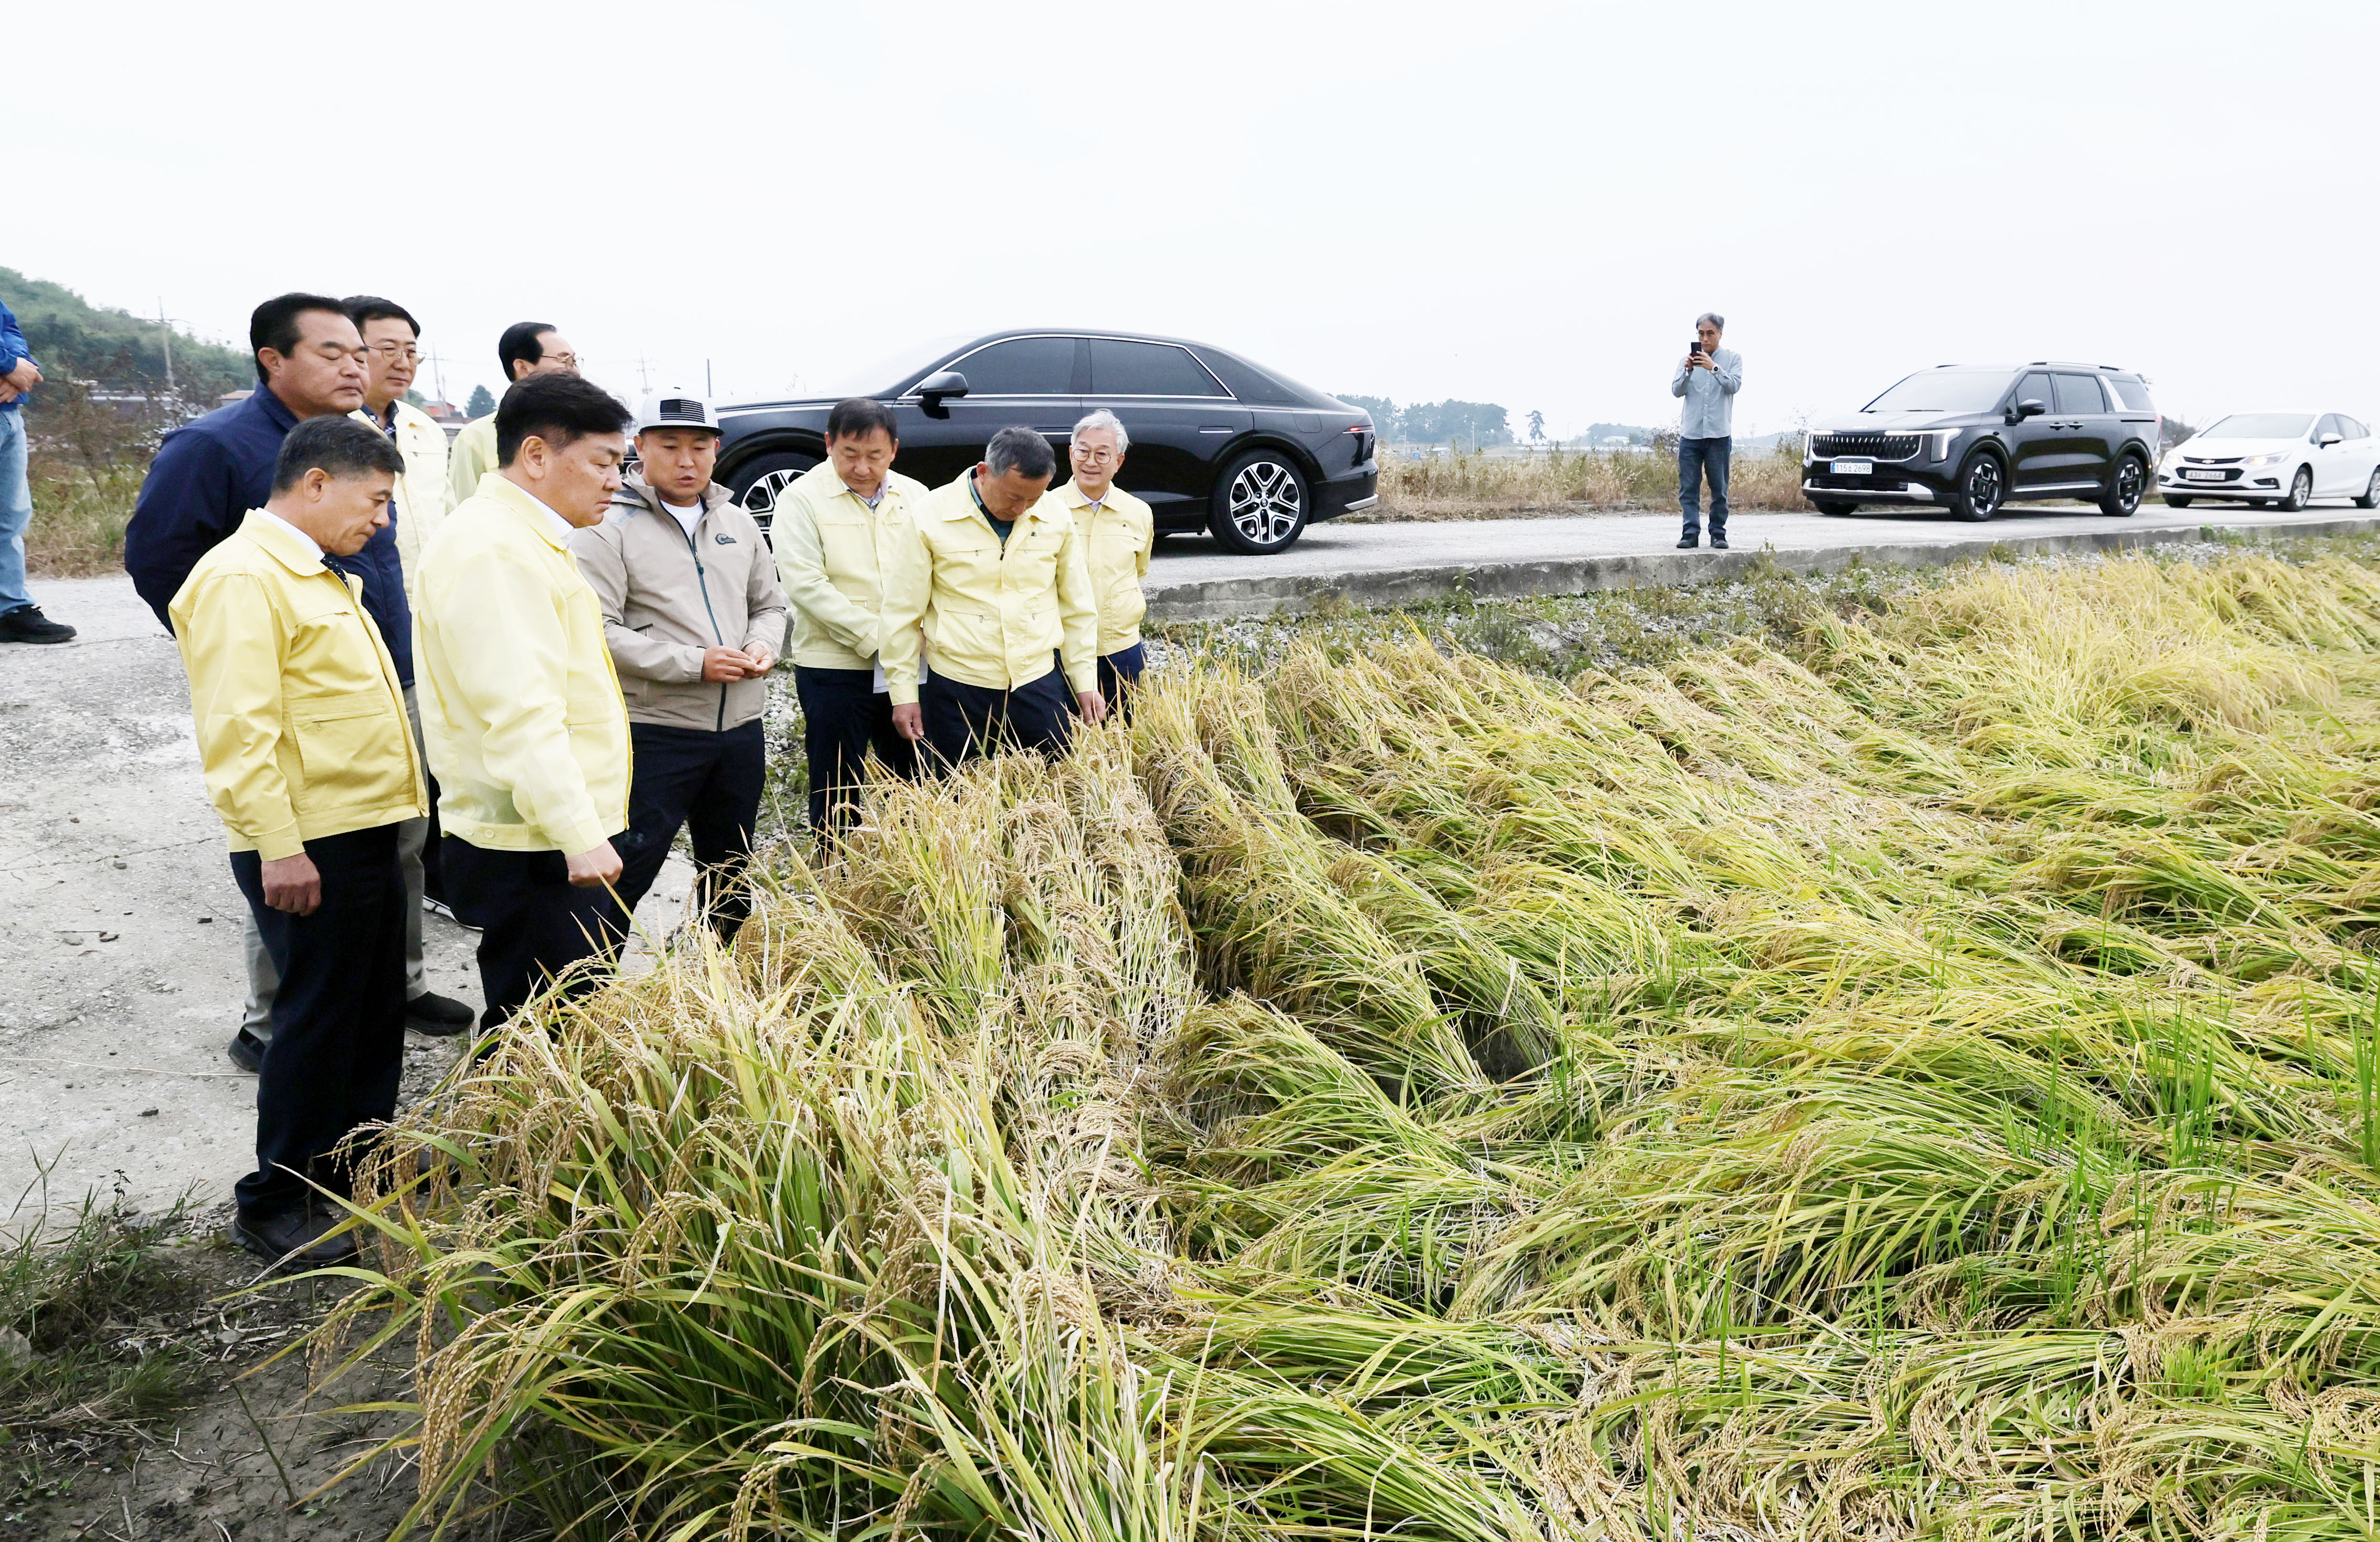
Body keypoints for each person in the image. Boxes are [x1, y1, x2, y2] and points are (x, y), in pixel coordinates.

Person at [125, 292, 471, 1069]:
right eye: (332, 352)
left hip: (390, 674)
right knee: (290, 857)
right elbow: (161, 557)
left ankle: (397, 983)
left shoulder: (372, 442)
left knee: (398, 847)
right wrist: (239, 649)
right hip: (291, 692)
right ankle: (273, 1020)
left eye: (361, 352)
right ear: (272, 360)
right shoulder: (214, 445)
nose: (355, 365)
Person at [167, 416, 424, 1269]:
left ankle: (352, 1166)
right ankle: (276, 1202)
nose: (382, 521)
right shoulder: (245, 577)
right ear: (317, 481)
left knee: (369, 1010)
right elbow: (240, 730)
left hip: (360, 832)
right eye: (376, 500)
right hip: (308, 844)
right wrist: (278, 845)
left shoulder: (314, 571)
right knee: (315, 1022)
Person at [415, 373, 634, 1032]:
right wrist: (578, 835)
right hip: (535, 840)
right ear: (536, 455)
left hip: (546, 828)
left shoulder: (523, 536)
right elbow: (521, 713)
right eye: (602, 462)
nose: (616, 480)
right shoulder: (494, 550)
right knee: (541, 1026)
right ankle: (502, 1136)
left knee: (555, 1013)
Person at [572, 392, 786, 937]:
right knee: (626, 872)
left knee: (730, 867)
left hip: (739, 728)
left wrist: (763, 645)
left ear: (717, 450)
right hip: (658, 732)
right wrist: (695, 663)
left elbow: (770, 603)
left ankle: (723, 992)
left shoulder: (737, 522)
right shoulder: (606, 526)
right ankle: (578, 1002)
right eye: (668, 446)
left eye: (699, 446)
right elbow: (597, 629)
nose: (685, 460)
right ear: (638, 448)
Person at [345, 295, 470, 947]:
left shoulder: (423, 429)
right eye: (384, 347)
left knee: (436, 763)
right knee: (380, 787)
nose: (401, 361)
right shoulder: (328, 432)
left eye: (411, 350)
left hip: (429, 621)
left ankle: (436, 892)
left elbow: (445, 519)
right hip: (361, 630)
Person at [880, 426, 1103, 768]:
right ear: (984, 472)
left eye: (1034, 498)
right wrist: (904, 694)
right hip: (959, 684)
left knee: (1053, 785)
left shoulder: (1056, 515)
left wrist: (1085, 680)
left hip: (1036, 678)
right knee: (958, 793)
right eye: (1014, 496)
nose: (1022, 508)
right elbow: (901, 614)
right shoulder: (929, 516)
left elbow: (1077, 607)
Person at [771, 397, 928, 831]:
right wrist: (884, 638)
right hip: (834, 666)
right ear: (828, 444)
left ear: (893, 450)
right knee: (836, 784)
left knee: (914, 774)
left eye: (875, 456)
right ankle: (836, 877)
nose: (862, 467)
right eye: (850, 455)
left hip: (908, 667)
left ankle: (914, 872)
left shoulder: (915, 496)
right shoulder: (800, 499)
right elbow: (806, 586)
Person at [1054, 409, 1152, 715]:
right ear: (1071, 454)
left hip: (1121, 649)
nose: (1091, 462)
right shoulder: (1046, 509)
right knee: (1064, 743)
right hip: (1061, 652)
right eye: (1083, 451)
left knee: (1128, 736)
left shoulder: (1138, 512)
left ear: (1119, 462)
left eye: (1102, 454)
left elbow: (1139, 571)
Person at [0, 295, 74, 644]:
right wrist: (6, 364)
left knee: (10, 515)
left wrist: (18, 367)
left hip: (8, 411)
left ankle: (10, 610)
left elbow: (9, 328)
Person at [447, 322, 579, 506]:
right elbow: (462, 511)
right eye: (563, 360)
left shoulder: (584, 431)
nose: (574, 371)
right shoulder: (475, 438)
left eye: (574, 362)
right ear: (523, 368)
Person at [1671, 312, 1742, 550]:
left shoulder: (1732, 359)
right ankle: (1690, 534)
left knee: (1719, 489)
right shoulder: (1687, 360)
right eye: (1701, 334)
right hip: (1691, 435)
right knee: (1688, 488)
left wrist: (1713, 368)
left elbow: (1734, 385)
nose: (1705, 339)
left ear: (1720, 334)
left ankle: (1718, 534)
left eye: (1710, 333)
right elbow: (1676, 391)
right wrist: (1688, 371)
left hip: (1718, 435)